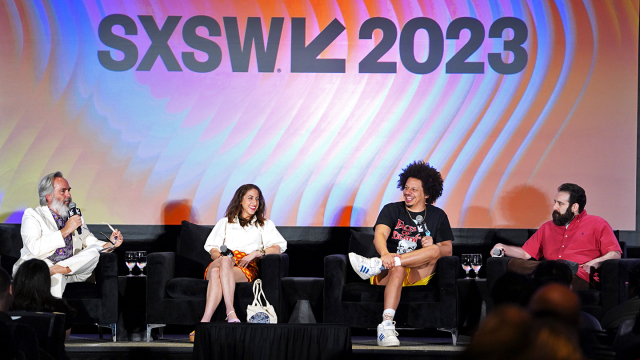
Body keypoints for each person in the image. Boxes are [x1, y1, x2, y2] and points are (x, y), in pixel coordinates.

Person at [348, 161, 454, 347]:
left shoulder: (438, 216)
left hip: (418, 273)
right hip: (389, 271)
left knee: (435, 250)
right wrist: (385, 255)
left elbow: (447, 249)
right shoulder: (392, 209)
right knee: (398, 268)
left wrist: (433, 244)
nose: (407, 192)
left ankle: (374, 265)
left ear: (426, 193)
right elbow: (380, 235)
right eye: (406, 188)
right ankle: (386, 326)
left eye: (414, 189)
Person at [190, 184, 287, 341]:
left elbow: (278, 247)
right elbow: (212, 249)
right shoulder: (225, 222)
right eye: (250, 198)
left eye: (257, 199)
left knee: (216, 274)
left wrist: (257, 253)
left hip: (245, 267)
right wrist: (223, 258)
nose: (254, 202)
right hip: (222, 261)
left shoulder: (264, 224)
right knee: (223, 262)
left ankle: (203, 323)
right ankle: (231, 312)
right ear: (240, 200)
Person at [13, 172, 124, 298]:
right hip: (38, 270)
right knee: (57, 277)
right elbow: (35, 248)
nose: (69, 195)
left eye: (69, 190)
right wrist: (66, 230)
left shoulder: (74, 215)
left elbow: (87, 238)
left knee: (93, 252)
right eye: (63, 191)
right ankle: (55, 312)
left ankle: (53, 270)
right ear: (48, 196)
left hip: (71, 271)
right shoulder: (33, 215)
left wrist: (110, 243)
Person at [491, 183, 621, 290]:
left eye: (560, 204)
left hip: (579, 276)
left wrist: (595, 262)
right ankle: (553, 269)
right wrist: (503, 247)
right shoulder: (547, 227)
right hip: (548, 274)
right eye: (555, 202)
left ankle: (555, 269)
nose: (554, 207)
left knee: (547, 275)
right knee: (513, 264)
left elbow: (615, 253)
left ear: (574, 207)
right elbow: (526, 253)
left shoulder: (597, 224)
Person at [11, 259, 77, 339]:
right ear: (46, 281)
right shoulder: (60, 307)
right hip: (49, 351)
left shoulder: (9, 307)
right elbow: (63, 339)